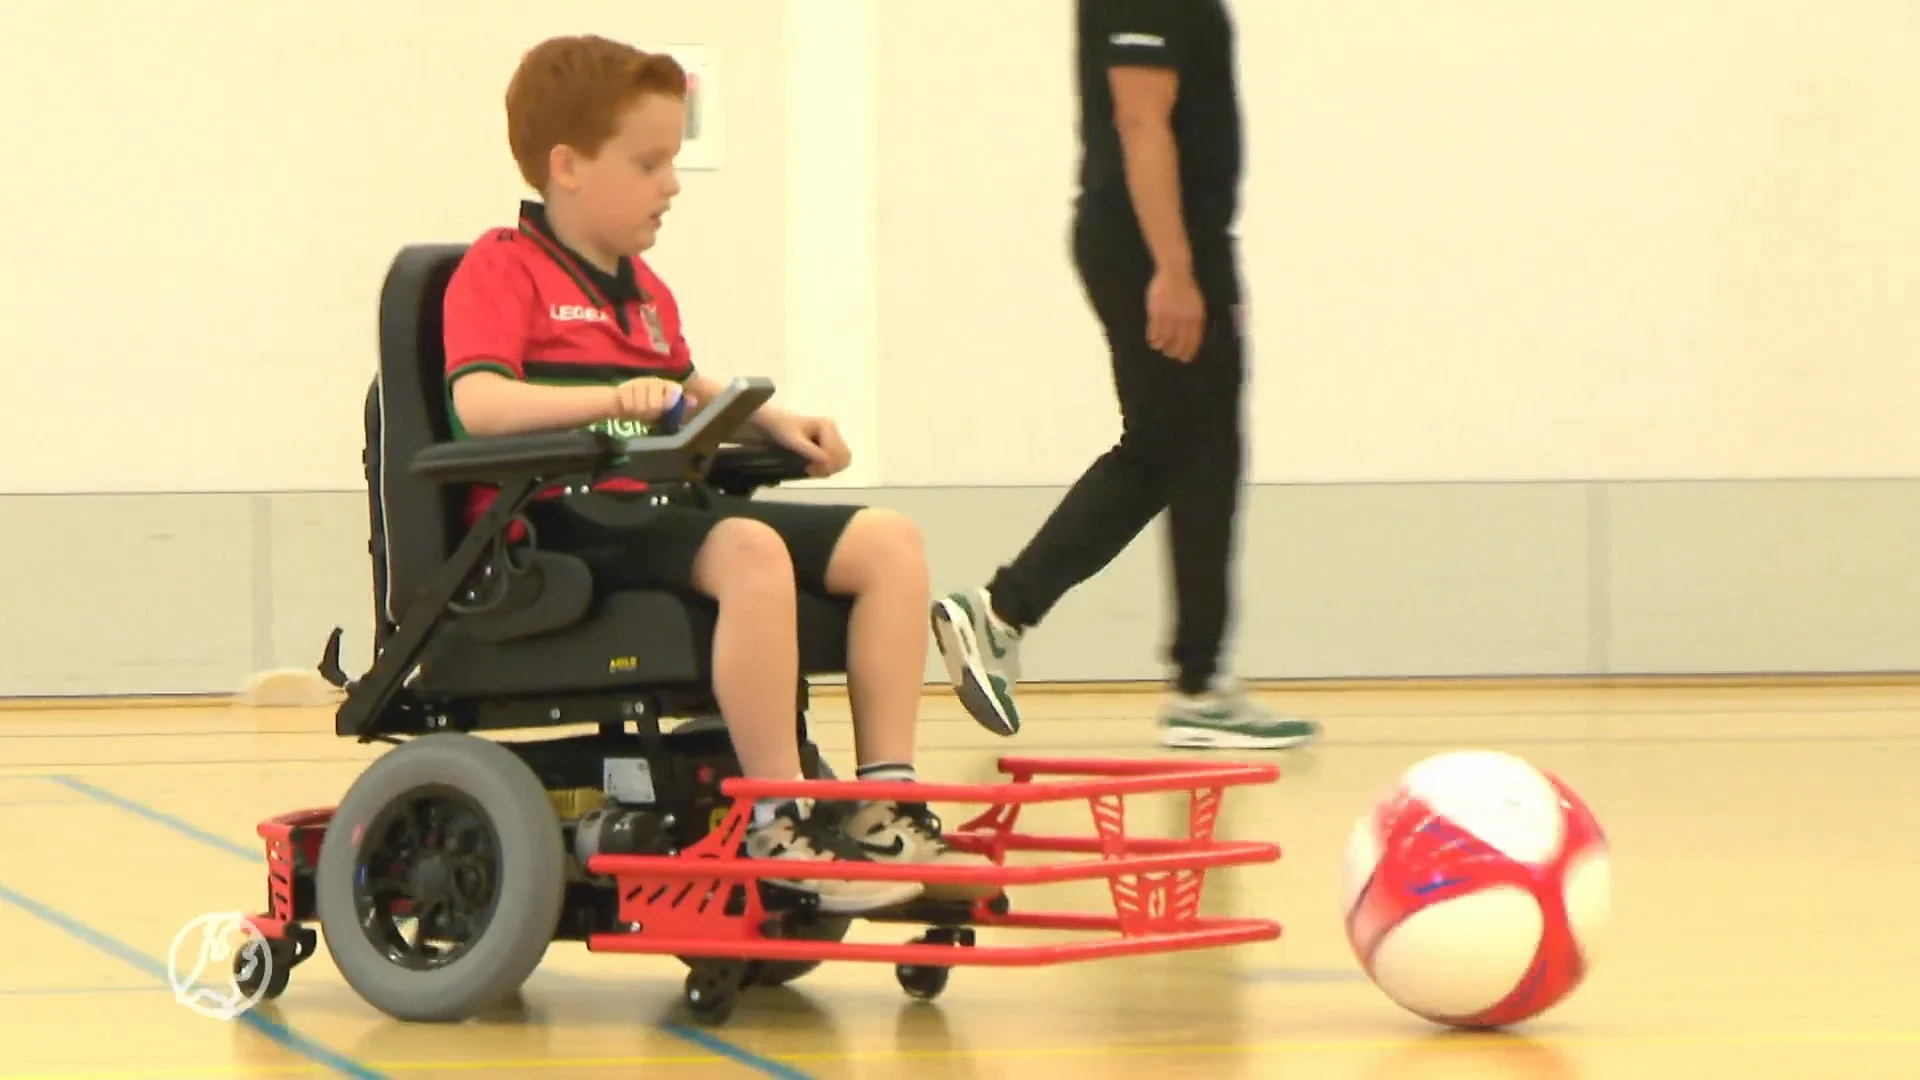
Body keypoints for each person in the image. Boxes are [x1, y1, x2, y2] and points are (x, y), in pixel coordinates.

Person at [441, 34, 992, 914]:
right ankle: (777, 820)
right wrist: (605, 400)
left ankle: (884, 800)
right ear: (569, 166)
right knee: (748, 552)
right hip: (561, 523)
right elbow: (480, 406)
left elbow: (694, 387)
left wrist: (779, 422)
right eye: (650, 162)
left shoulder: (644, 291)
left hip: (656, 511)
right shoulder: (499, 268)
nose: (671, 184)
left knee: (890, 543)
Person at [932, 0, 1320, 751]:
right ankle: (1184, 681)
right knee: (1181, 454)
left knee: (1178, 455)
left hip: (1175, 242)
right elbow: (1142, 121)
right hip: (1153, 245)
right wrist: (1174, 268)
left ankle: (1022, 617)